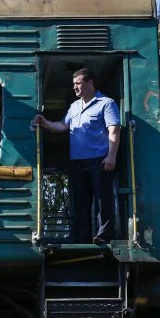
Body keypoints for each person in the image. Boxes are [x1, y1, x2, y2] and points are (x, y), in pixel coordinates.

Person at [32, 68, 120, 245]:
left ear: (90, 83)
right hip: (78, 162)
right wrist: (45, 122)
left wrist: (111, 156)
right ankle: (81, 238)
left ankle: (103, 237)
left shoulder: (106, 103)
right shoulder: (74, 106)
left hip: (99, 160)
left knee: (103, 200)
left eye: (78, 83)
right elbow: (62, 127)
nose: (75, 88)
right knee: (80, 202)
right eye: (74, 85)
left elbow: (114, 130)